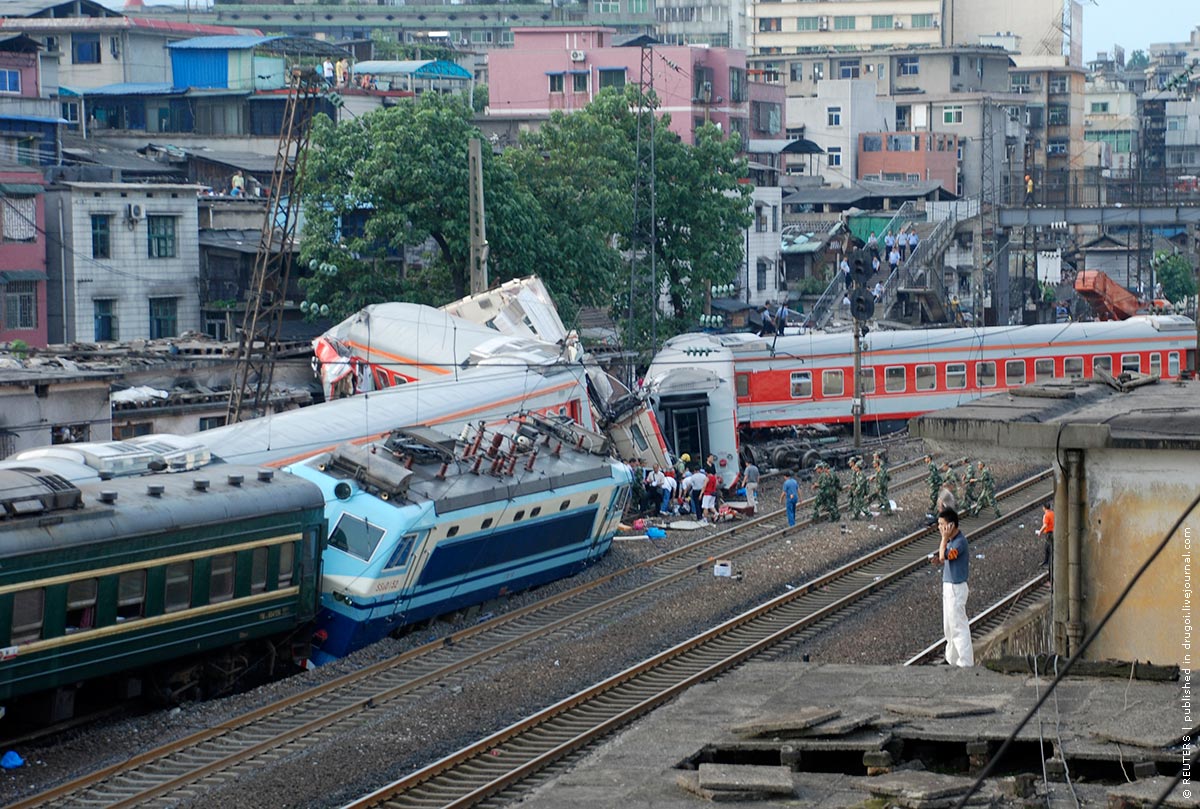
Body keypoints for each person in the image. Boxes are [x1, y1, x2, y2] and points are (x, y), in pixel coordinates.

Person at [933, 508, 974, 667]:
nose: (940, 528)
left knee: (958, 625)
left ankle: (965, 662)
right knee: (949, 626)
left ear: (950, 525)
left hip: (957, 588)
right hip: (949, 586)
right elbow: (944, 558)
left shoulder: (960, 542)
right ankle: (951, 658)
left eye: (942, 525)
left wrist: (943, 539)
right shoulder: (951, 541)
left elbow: (947, 556)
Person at [1036, 502, 1055, 566]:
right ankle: (1049, 561)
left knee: (1048, 547)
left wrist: (1040, 532)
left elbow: (1045, 525)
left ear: (1044, 508)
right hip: (1053, 532)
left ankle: (1048, 561)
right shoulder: (1053, 513)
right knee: (1050, 546)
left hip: (1049, 533)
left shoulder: (1046, 515)